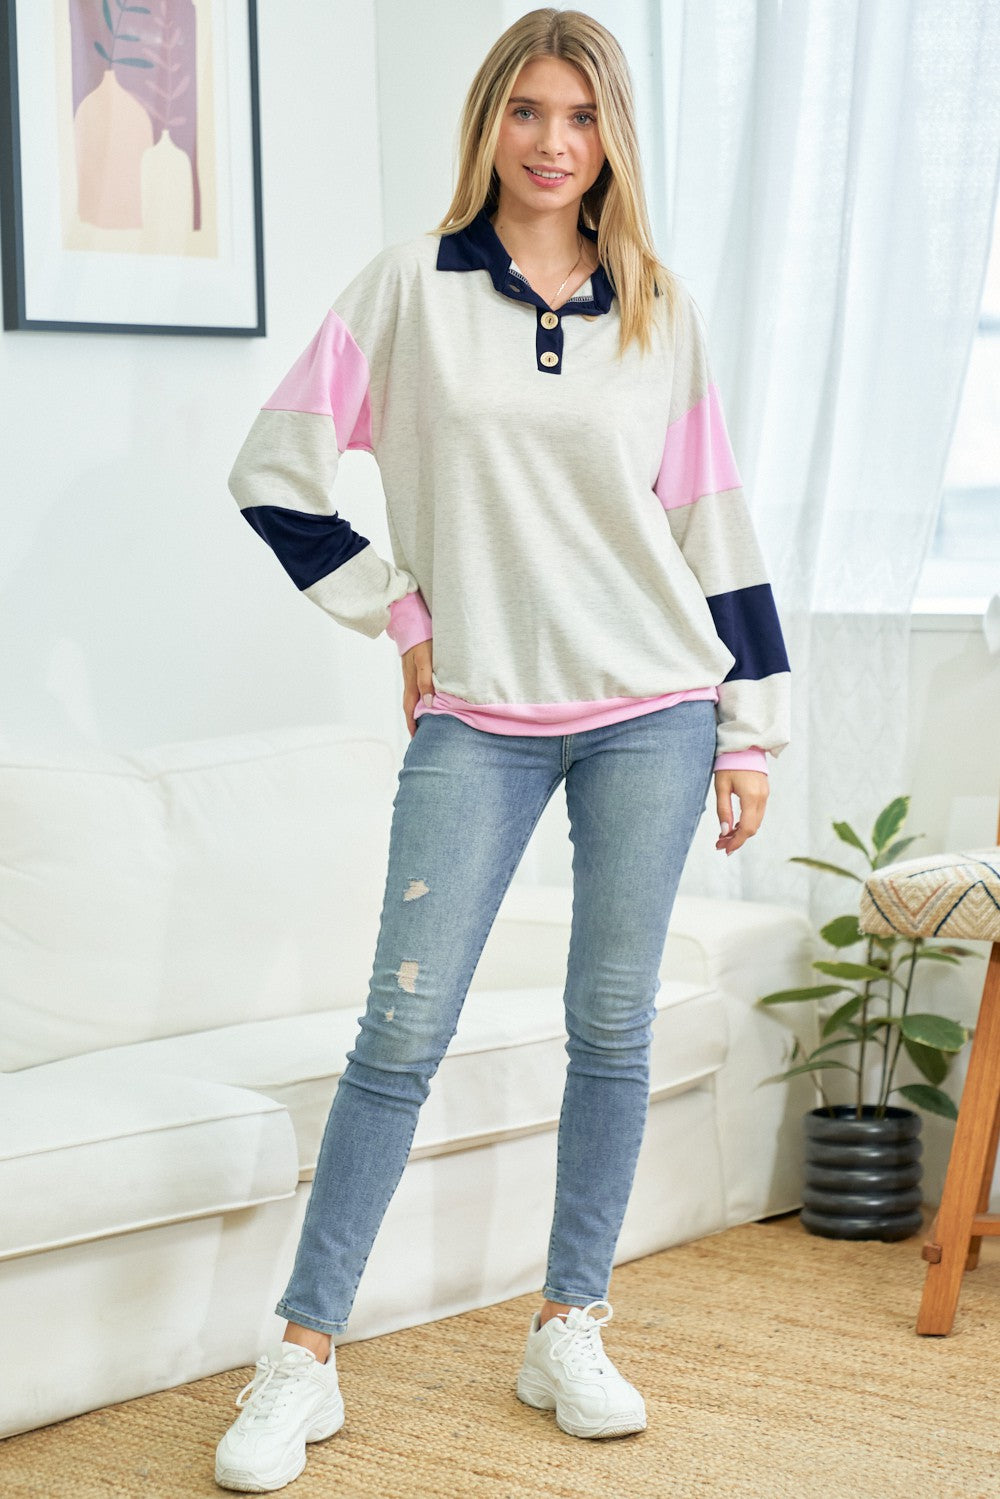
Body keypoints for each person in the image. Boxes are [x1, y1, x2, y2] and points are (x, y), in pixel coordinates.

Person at [216, 6, 790, 1491]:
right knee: (398, 1038)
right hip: (479, 717)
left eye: (580, 118)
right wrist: (398, 611)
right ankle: (302, 1357)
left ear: (612, 140)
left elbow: (712, 525)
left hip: (656, 711)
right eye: (527, 111)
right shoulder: (407, 287)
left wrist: (752, 728)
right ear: (489, 122)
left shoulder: (655, 305)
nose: (552, 143)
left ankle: (568, 1325)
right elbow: (273, 472)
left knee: (613, 1029)